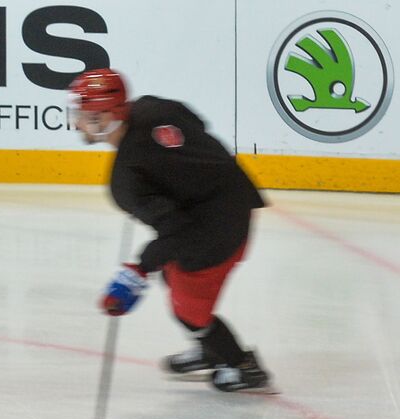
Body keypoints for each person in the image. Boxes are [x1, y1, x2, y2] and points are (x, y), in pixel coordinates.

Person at [70, 67, 275, 393]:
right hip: (234, 195)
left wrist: (138, 270)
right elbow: (195, 124)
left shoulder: (126, 183)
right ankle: (209, 352)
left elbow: (176, 233)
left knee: (190, 312)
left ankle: (240, 366)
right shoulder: (153, 107)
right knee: (172, 276)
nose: (79, 121)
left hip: (217, 228)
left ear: (107, 117)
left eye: (86, 114)